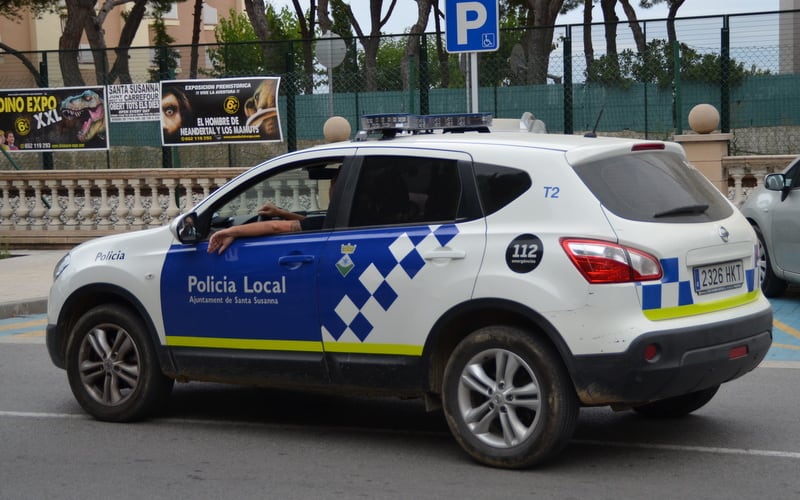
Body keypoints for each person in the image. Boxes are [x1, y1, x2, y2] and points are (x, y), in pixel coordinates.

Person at [208, 171, 337, 255]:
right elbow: (306, 222)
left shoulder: (333, 222)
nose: (331, 188)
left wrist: (231, 231)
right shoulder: (345, 219)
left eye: (334, 183)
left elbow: (275, 227)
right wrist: (279, 212)